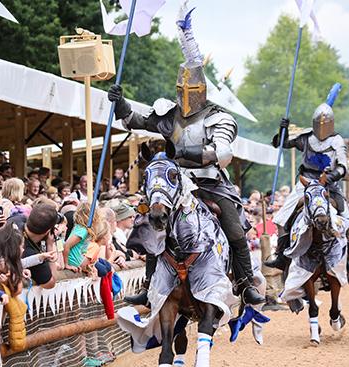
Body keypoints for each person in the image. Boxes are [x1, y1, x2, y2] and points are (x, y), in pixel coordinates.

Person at [107, 8, 264, 305]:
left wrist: (182, 152)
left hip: (209, 183)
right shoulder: (170, 115)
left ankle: (244, 283)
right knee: (152, 224)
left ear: (202, 90)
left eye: (191, 89)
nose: (186, 95)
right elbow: (135, 121)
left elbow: (222, 153)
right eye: (182, 89)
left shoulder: (218, 117)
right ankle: (151, 284)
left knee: (233, 228)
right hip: (175, 184)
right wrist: (121, 102)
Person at [265, 84, 349, 272]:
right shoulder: (306, 137)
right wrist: (282, 131)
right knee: (281, 218)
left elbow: (343, 167)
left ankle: (348, 258)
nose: (322, 128)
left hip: (328, 185)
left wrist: (331, 177)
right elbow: (280, 144)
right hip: (305, 183)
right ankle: (282, 257)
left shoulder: (337, 141)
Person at [21, 203, 59, 289]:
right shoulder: (32, 255)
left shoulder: (15, 220)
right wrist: (50, 245)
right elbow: (50, 283)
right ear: (48, 231)